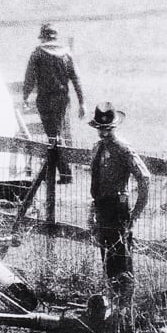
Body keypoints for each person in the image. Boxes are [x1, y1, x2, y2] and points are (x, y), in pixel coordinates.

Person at [87, 102, 150, 315]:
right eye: (100, 128)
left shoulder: (123, 148)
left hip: (118, 209)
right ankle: (112, 306)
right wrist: (92, 213)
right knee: (107, 260)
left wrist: (136, 212)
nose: (104, 132)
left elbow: (145, 177)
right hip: (102, 209)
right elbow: (96, 184)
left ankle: (125, 310)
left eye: (108, 128)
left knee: (121, 260)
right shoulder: (96, 148)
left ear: (114, 127)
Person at [22, 22, 85, 184]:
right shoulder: (66, 54)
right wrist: (81, 102)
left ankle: (64, 173)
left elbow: (29, 78)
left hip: (45, 99)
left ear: (43, 38)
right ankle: (61, 172)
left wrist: (25, 97)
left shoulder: (37, 54)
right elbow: (76, 79)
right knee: (57, 135)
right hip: (63, 100)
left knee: (53, 137)